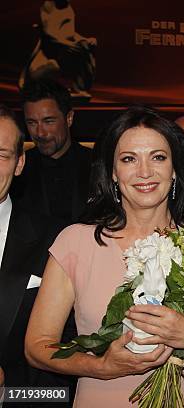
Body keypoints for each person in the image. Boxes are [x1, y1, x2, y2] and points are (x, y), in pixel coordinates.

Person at [24, 106, 184, 408]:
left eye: (158, 157)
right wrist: (101, 366)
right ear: (113, 173)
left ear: (174, 169)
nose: (144, 172)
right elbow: (37, 347)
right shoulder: (75, 243)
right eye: (129, 159)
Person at [0, 105, 75, 408]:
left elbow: (62, 386)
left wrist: (9, 393)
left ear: (19, 163)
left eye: (0, 155)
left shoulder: (56, 239)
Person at [11, 78, 92, 225]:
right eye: (32, 123)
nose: (40, 133)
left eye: (49, 121)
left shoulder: (97, 164)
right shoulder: (17, 170)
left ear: (69, 118)